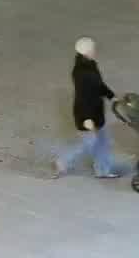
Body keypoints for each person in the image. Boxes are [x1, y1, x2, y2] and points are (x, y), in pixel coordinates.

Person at [53, 37, 119, 179]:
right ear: (86, 52)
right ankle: (63, 160)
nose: (95, 51)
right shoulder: (81, 73)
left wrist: (111, 96)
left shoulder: (91, 65)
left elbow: (99, 85)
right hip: (86, 114)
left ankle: (103, 170)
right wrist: (87, 118)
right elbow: (83, 97)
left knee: (102, 142)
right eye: (93, 49)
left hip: (96, 111)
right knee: (87, 143)